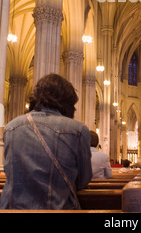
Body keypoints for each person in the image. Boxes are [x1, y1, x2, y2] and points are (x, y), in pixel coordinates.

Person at [0, 74, 93, 210]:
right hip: (58, 209)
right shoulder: (78, 130)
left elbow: (12, 174)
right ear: (69, 101)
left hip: (12, 209)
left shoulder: (11, 128)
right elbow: (83, 180)